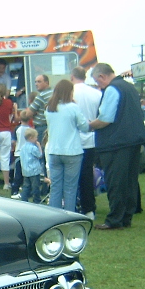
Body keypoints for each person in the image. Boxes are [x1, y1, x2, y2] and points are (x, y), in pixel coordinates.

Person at [89, 63, 145, 230]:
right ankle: (126, 218)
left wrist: (90, 125)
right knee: (129, 181)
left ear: (102, 76)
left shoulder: (112, 89)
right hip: (134, 141)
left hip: (116, 142)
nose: (98, 85)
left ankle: (114, 219)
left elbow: (105, 119)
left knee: (116, 182)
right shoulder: (129, 88)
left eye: (97, 81)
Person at [45, 80, 88, 212]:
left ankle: (54, 215)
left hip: (54, 150)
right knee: (70, 188)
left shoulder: (49, 108)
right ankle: (69, 215)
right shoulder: (73, 107)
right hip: (72, 151)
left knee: (56, 187)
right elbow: (84, 127)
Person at [71, 67, 102, 218]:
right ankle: (89, 208)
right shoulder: (96, 93)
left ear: (72, 76)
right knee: (87, 175)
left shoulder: (70, 93)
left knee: (71, 175)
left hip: (73, 140)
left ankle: (71, 205)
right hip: (90, 138)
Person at [19, 74, 52, 144]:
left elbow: (28, 114)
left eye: (39, 82)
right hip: (52, 126)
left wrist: (33, 112)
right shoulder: (54, 93)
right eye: (35, 82)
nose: (36, 84)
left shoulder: (41, 96)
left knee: (41, 151)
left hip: (41, 127)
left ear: (46, 82)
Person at [18, 127, 43, 203]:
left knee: (26, 186)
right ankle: (37, 200)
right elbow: (40, 155)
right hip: (34, 171)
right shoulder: (33, 148)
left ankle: (24, 199)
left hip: (25, 170)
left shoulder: (23, 148)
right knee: (35, 187)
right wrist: (39, 146)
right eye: (36, 137)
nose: (37, 139)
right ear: (31, 137)